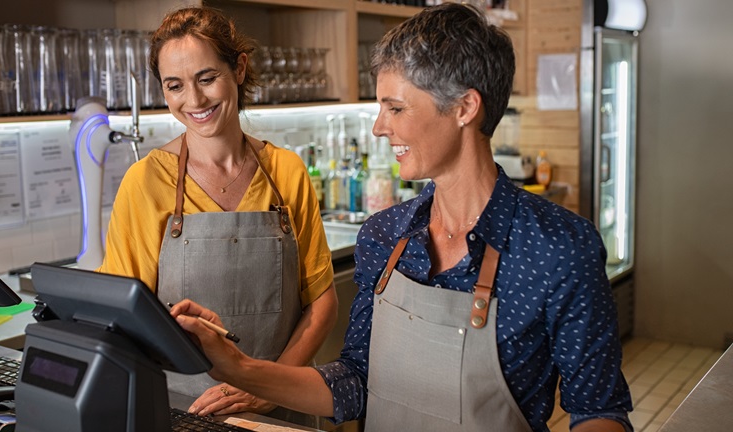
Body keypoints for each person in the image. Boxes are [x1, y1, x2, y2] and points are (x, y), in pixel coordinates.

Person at [170, 3, 633, 432]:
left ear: (465, 108)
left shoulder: (559, 247)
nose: (378, 126)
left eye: (395, 107)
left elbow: (598, 411)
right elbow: (354, 382)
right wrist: (238, 367)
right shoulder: (385, 236)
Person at [96, 7, 338, 426]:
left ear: (239, 69)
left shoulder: (286, 172)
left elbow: (321, 303)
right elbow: (119, 318)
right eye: (175, 86)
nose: (194, 101)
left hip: (281, 412)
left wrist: (264, 387)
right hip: (181, 412)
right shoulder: (145, 183)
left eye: (207, 79)